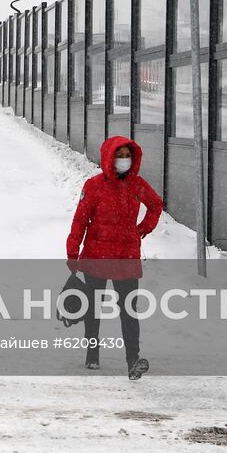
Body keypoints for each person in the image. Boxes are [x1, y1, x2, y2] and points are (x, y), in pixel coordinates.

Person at [65, 135, 164, 380]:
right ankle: (92, 352)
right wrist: (72, 252)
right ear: (109, 158)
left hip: (126, 257)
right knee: (93, 308)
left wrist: (142, 229)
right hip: (96, 257)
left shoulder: (137, 184)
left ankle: (133, 360)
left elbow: (156, 205)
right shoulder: (94, 186)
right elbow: (80, 220)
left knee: (129, 310)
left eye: (127, 156)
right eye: (119, 156)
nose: (124, 161)